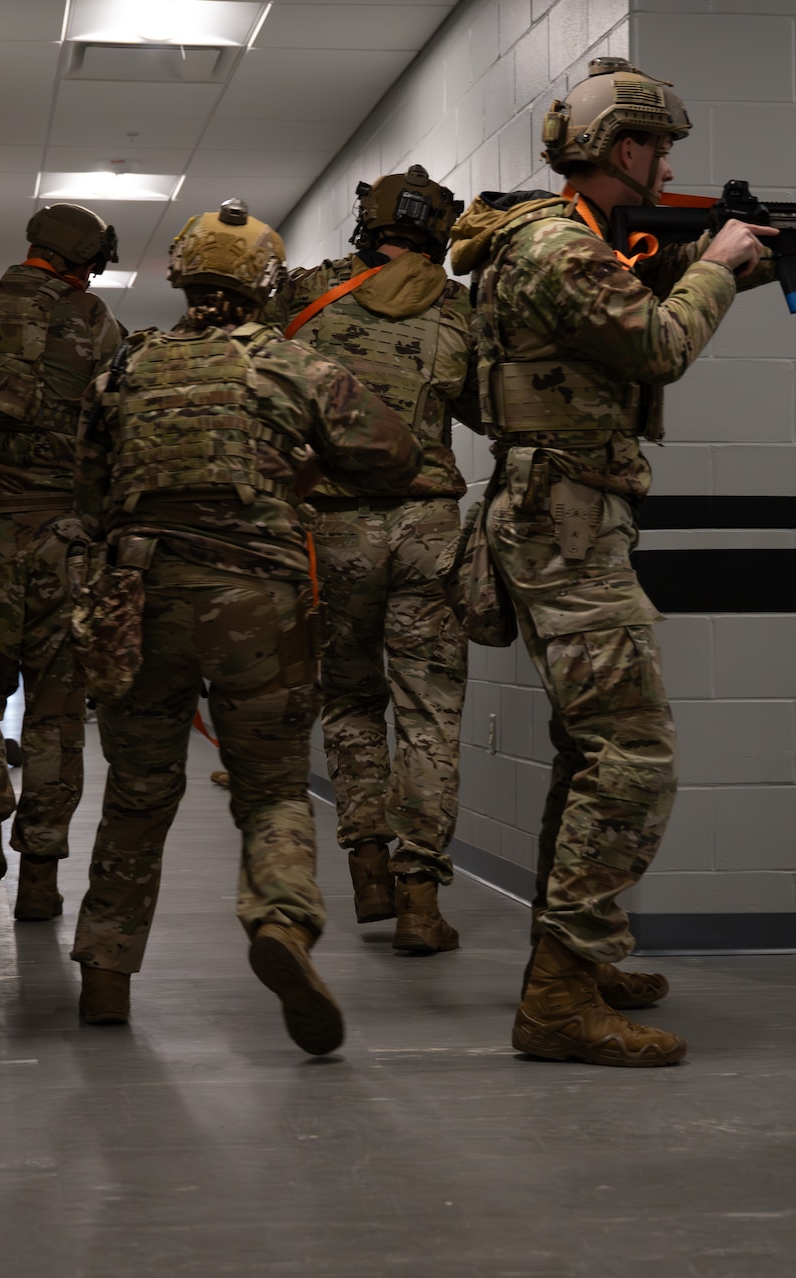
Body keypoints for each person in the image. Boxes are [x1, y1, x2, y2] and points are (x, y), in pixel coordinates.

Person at [450, 58, 796, 1068]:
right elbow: (655, 342)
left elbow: (655, 279)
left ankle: (573, 957)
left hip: (567, 517)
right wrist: (719, 265)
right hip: (562, 523)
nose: (665, 166)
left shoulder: (566, 242)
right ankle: (560, 997)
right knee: (633, 755)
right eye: (657, 147)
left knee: (590, 750)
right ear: (624, 148)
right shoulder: (555, 249)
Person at [70, 200, 419, 1052]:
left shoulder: (123, 371)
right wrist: (303, 469)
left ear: (182, 274)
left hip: (141, 597)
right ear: (265, 283)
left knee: (139, 787)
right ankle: (283, 924)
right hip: (256, 602)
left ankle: (108, 974)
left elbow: (89, 496)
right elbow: (395, 453)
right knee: (269, 789)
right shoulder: (292, 366)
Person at [269, 164, 478, 954]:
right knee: (431, 714)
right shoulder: (457, 310)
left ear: (368, 222)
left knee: (352, 700)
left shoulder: (304, 296)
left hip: (334, 530)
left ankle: (366, 862)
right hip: (429, 526)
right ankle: (422, 898)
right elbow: (487, 409)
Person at [0, 203, 123, 921]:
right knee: (56, 714)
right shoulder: (97, 324)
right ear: (87, 258)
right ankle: (39, 878)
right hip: (63, 540)